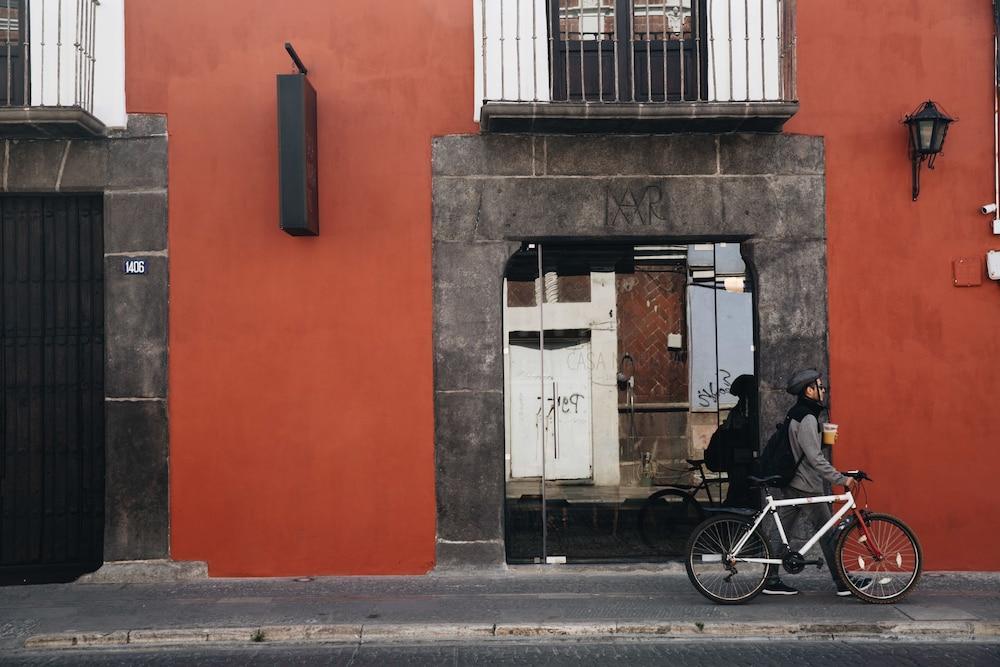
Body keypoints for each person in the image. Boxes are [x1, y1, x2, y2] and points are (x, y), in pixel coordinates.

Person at [761, 368, 872, 597]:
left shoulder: (796, 413)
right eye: (820, 387)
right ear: (809, 390)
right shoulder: (808, 417)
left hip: (793, 482)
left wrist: (822, 439)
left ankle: (770, 579)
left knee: (781, 533)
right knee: (828, 534)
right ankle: (843, 583)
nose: (823, 391)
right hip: (805, 485)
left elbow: (802, 447)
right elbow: (814, 458)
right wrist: (842, 478)